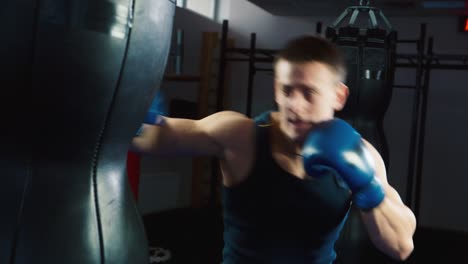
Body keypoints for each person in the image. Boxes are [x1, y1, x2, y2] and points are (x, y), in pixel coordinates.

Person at [131, 36, 416, 264]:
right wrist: (127, 110)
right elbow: (154, 137)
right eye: (288, 90)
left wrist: (366, 183)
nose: (294, 104)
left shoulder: (361, 154)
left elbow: (401, 246)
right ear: (277, 88)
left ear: (338, 95)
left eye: (308, 93)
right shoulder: (241, 136)